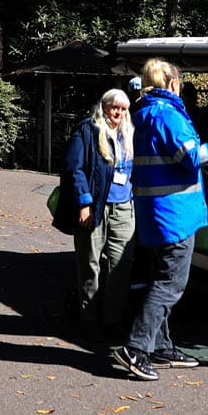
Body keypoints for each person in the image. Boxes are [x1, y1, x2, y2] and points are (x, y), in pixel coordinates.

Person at [116, 58, 208, 381]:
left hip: (155, 212)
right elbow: (192, 158)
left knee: (161, 278)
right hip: (174, 215)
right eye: (179, 81)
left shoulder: (143, 114)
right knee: (170, 285)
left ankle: (160, 345)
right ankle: (136, 348)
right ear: (171, 84)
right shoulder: (168, 115)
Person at [52, 90, 136, 340]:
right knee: (90, 263)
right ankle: (88, 318)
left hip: (124, 208)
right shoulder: (88, 130)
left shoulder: (130, 133)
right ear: (104, 106)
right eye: (114, 107)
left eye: (123, 109)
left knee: (120, 265)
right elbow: (73, 167)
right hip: (95, 205)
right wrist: (84, 202)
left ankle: (112, 319)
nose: (118, 113)